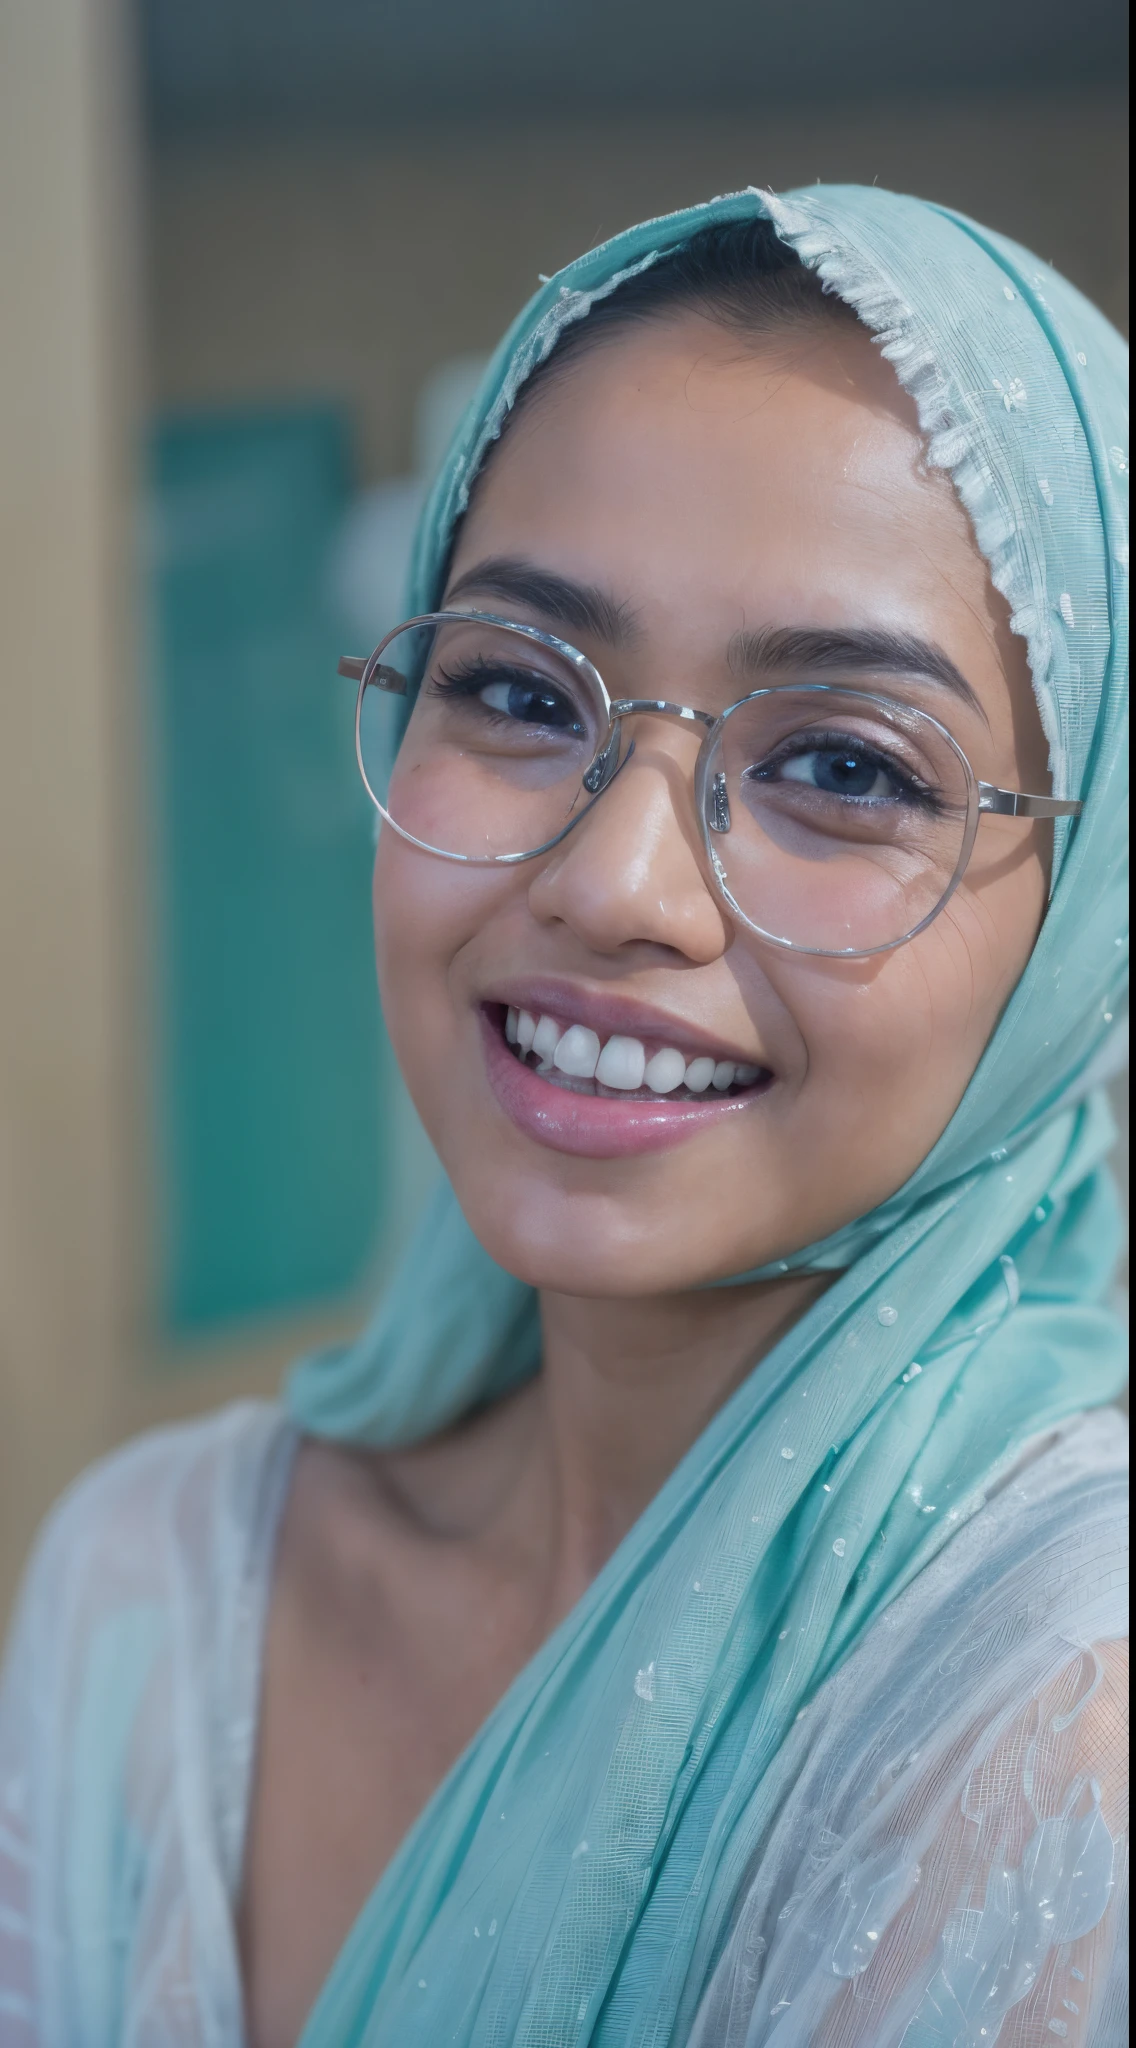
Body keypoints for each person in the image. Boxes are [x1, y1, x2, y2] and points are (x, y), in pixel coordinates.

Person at [0, 185, 1127, 2047]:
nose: (616, 881)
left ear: (1088, 919)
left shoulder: (1056, 1719)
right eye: (519, 690)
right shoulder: (154, 1586)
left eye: (846, 765)